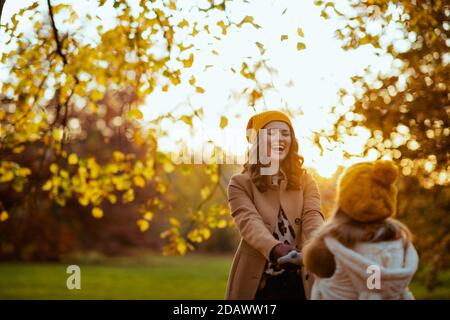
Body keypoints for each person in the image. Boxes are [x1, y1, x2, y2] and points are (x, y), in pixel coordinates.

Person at [225, 110, 324, 300]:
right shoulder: (239, 183)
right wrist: (275, 249)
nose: (280, 138)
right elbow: (249, 222)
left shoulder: (306, 180)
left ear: (292, 141)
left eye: (285, 133)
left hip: (302, 281)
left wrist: (319, 245)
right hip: (258, 283)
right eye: (271, 133)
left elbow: (313, 215)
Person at [303, 160, 419, 299]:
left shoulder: (327, 247)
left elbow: (315, 266)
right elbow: (374, 279)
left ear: (345, 198)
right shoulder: (398, 240)